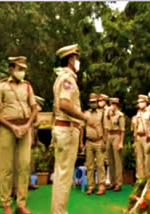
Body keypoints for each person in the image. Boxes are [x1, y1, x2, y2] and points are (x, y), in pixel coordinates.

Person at [0, 56, 38, 214]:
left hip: (25, 128)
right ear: (11, 69)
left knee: (24, 166)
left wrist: (27, 125)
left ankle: (21, 204)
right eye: (19, 69)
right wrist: (11, 126)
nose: (22, 72)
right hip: (7, 129)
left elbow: (34, 108)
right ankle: (6, 204)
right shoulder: (2, 86)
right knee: (6, 167)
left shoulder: (27, 87)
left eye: (24, 69)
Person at [51, 44, 94, 214]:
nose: (78, 62)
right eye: (77, 58)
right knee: (64, 176)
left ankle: (57, 211)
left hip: (63, 130)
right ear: (70, 60)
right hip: (67, 130)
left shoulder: (63, 78)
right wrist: (84, 117)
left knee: (61, 175)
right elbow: (64, 104)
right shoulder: (67, 79)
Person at [82, 93, 106, 195]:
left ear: (97, 103)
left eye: (95, 102)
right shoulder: (86, 114)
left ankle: (101, 186)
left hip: (99, 141)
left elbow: (105, 128)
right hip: (89, 142)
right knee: (90, 166)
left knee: (100, 165)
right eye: (91, 102)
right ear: (89, 103)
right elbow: (82, 129)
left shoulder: (102, 113)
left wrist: (104, 141)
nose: (93, 104)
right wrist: (81, 143)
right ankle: (91, 186)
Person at [104, 97, 125, 191]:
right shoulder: (108, 114)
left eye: (114, 104)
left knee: (117, 161)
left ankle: (118, 183)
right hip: (109, 135)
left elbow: (122, 130)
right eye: (111, 103)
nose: (112, 105)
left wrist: (121, 142)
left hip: (117, 135)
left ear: (117, 105)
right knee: (110, 160)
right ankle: (112, 182)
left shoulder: (120, 115)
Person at [133, 95, 150, 179]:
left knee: (147, 159)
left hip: (146, 138)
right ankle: (140, 178)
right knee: (139, 159)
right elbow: (135, 126)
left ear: (146, 102)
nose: (140, 104)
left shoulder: (149, 112)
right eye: (139, 102)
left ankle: (147, 178)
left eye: (142, 102)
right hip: (138, 137)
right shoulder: (138, 113)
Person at [97, 94, 110, 184]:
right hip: (98, 136)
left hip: (108, 136)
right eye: (99, 101)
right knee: (99, 158)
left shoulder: (109, 110)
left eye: (102, 100)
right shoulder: (97, 111)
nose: (100, 102)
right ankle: (100, 178)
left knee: (108, 159)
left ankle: (108, 178)